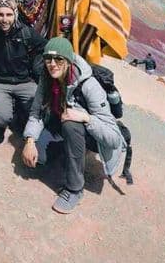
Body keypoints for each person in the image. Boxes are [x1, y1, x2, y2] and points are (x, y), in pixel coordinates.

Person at [21, 37, 125, 214]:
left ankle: (75, 189)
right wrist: (29, 141)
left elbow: (114, 139)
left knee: (71, 125)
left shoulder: (89, 85)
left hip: (92, 133)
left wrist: (86, 118)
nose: (52, 64)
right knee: (38, 158)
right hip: (60, 119)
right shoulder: (47, 78)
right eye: (48, 59)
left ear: (68, 61)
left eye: (59, 59)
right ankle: (65, 148)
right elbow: (36, 111)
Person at [0, 0, 46, 142]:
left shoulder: (26, 32)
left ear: (15, 14)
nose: (4, 20)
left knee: (39, 112)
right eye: (0, 14)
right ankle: (8, 110)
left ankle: (19, 111)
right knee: (1, 118)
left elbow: (45, 47)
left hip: (24, 81)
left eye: (9, 15)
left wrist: (37, 66)